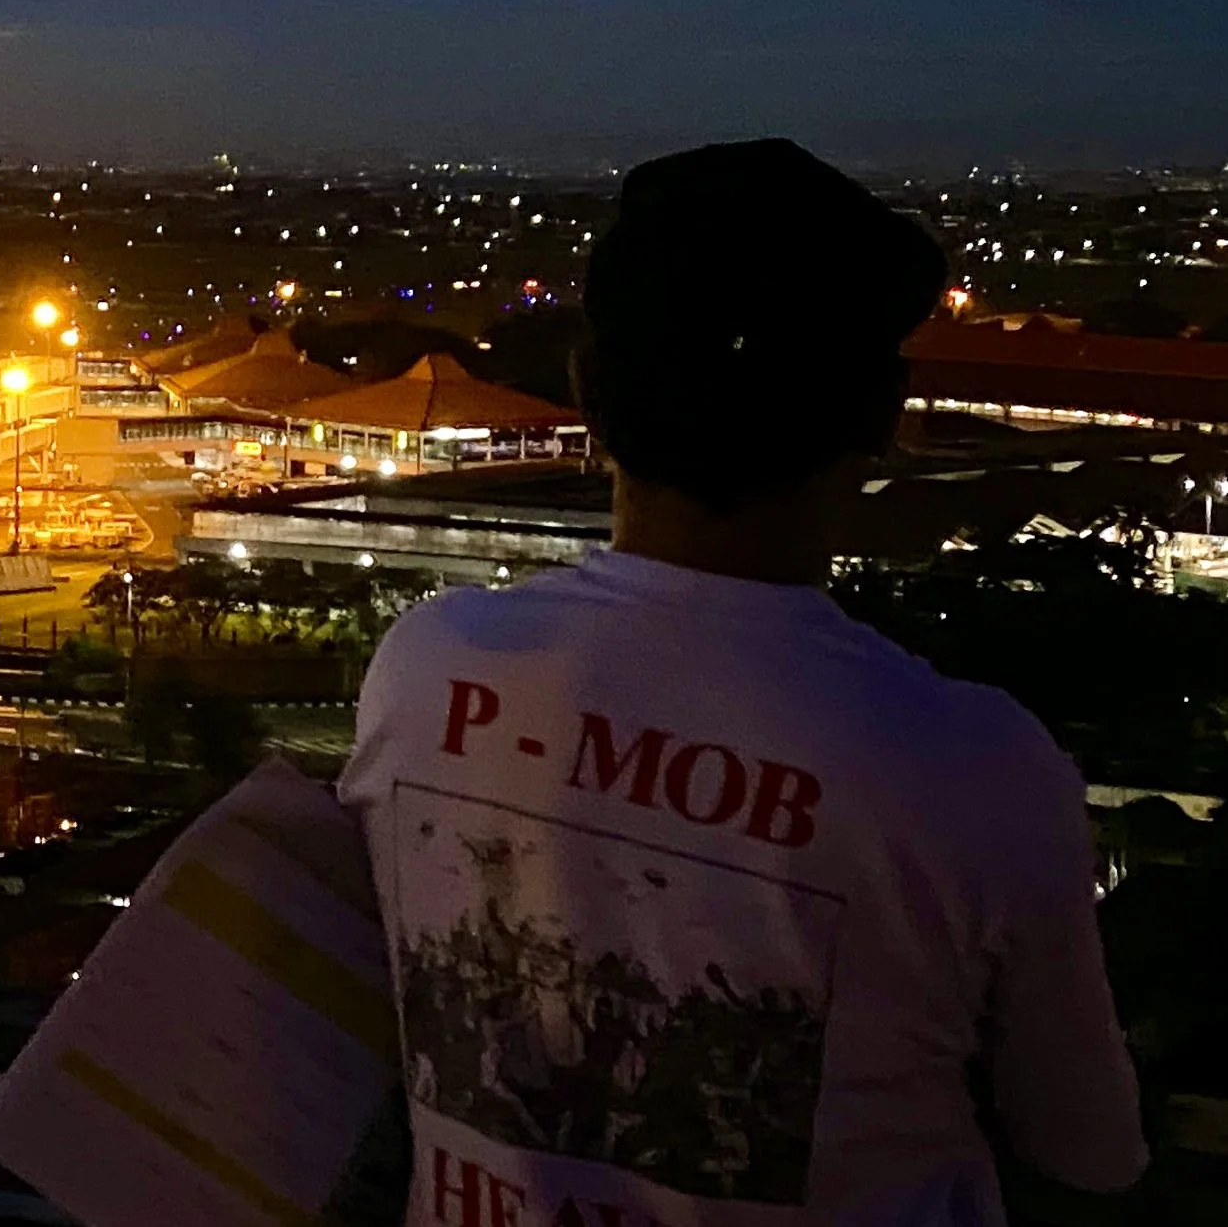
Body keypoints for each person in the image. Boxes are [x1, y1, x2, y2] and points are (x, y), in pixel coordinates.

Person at [339, 140, 1144, 1224]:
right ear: (881, 413)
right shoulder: (974, 764)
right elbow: (1088, 1151)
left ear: (587, 390)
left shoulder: (428, 665)